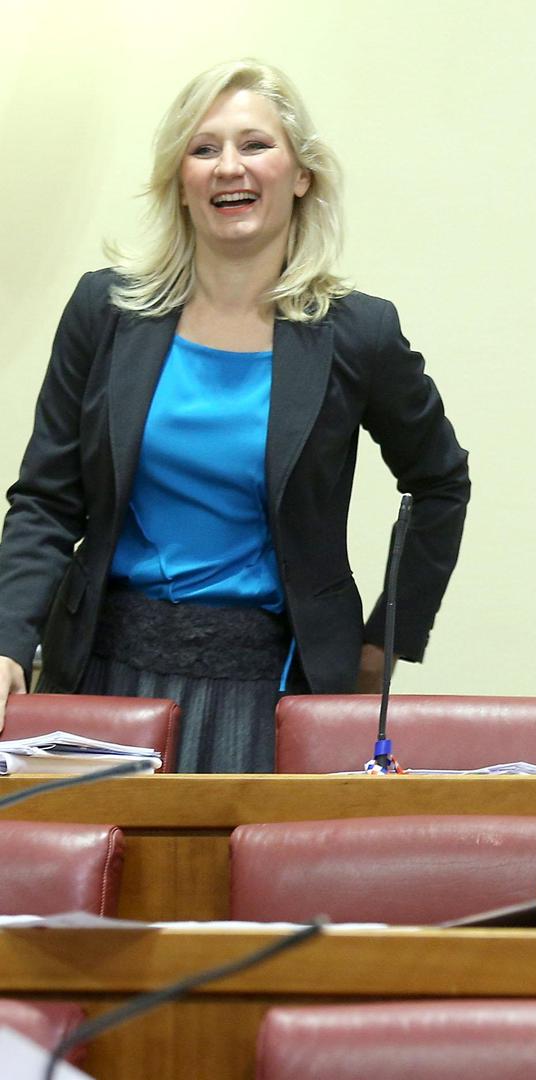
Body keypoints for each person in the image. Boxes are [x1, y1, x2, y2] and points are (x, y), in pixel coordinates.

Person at [0, 60, 470, 771]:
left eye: (254, 144)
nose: (229, 167)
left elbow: (440, 482)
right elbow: (46, 500)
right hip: (103, 673)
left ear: (302, 174)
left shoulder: (358, 335)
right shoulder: (104, 311)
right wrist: (9, 639)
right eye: (203, 148)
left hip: (272, 689)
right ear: (179, 179)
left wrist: (386, 640)